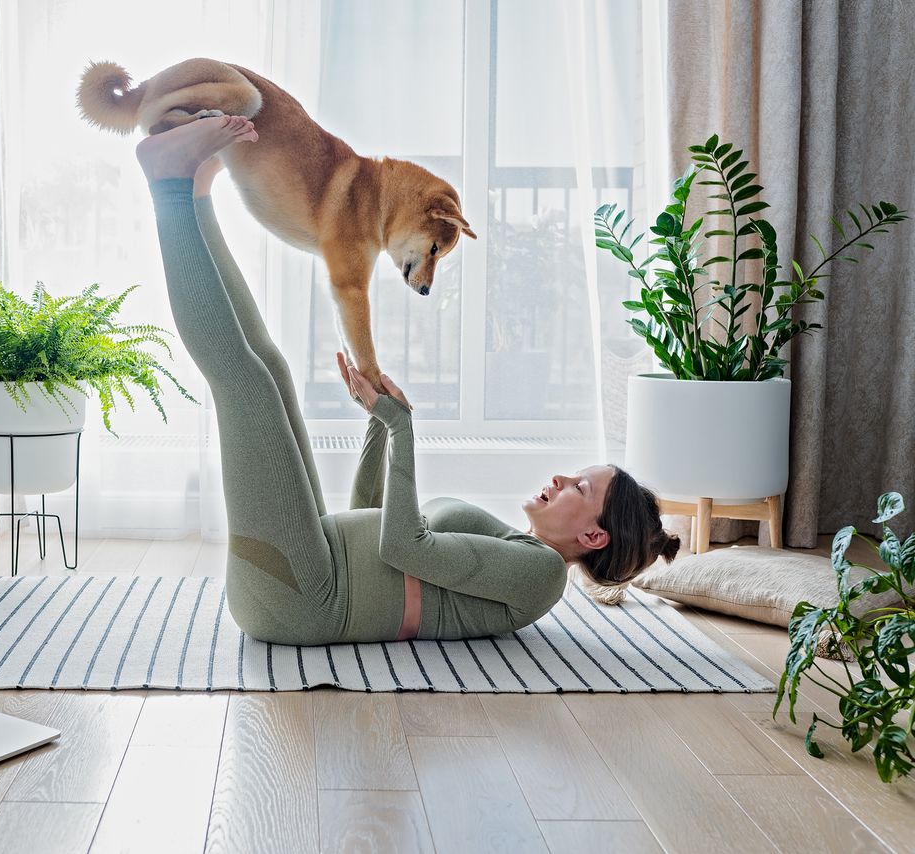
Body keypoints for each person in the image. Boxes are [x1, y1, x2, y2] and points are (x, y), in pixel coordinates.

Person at [136, 115, 680, 646]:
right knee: (272, 372)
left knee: (248, 389)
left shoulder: (540, 576)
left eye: (580, 488)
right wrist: (382, 424)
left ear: (593, 536)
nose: (561, 479)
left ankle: (168, 187)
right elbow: (374, 523)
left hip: (303, 597)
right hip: (316, 561)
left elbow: (403, 547)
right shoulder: (517, 549)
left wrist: (402, 432)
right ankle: (197, 193)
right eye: (575, 476)